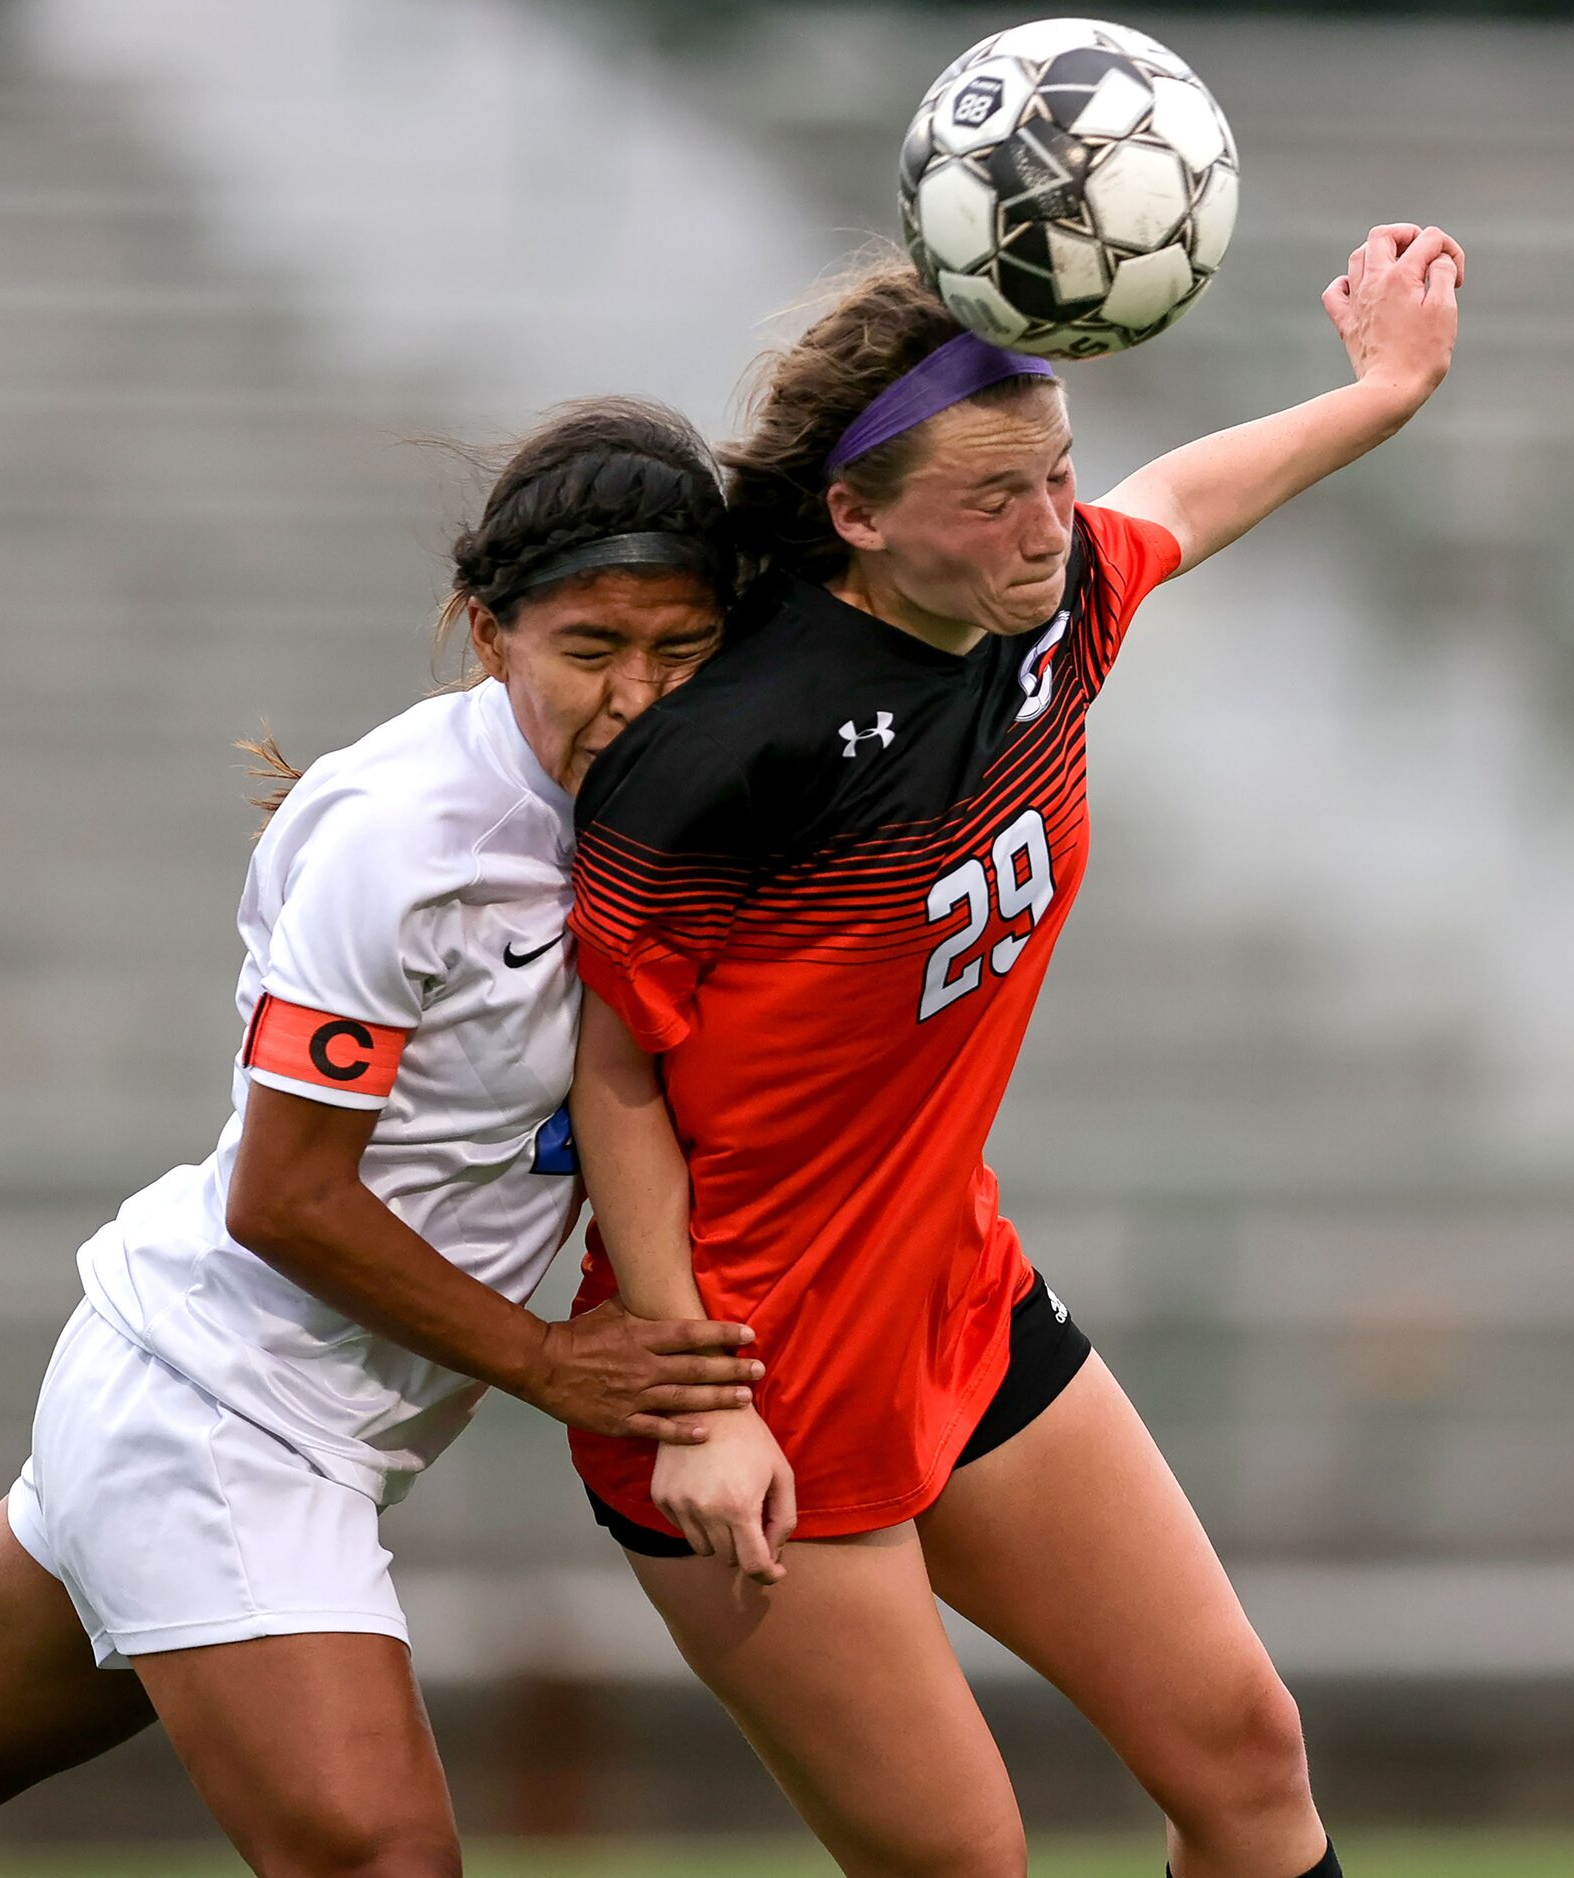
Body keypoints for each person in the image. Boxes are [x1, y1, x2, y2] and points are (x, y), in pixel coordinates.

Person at [565, 227, 1464, 1878]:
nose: (1050, 526)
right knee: (969, 1858)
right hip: (750, 1381)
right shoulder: (730, 747)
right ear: (858, 515)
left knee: (1247, 1756)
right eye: (996, 495)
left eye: (1058, 476)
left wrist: (1386, 392)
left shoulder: (1043, 614)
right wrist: (696, 1399)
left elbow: (1181, 501)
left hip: (956, 1303)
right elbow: (613, 1074)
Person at [0, 399, 764, 1878]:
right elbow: (284, 1196)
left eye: (679, 651)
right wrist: (554, 1362)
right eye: (591, 648)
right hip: (217, 1406)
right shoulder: (405, 837)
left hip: (289, 1411)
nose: (637, 691)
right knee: (388, 1861)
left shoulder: (665, 809)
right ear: (487, 629)